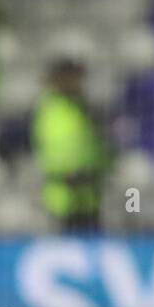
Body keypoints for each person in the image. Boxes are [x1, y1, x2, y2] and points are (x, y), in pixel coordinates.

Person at [33, 59, 109, 232]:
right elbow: (52, 150)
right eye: (70, 77)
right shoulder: (48, 109)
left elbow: (98, 147)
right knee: (64, 246)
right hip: (61, 197)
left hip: (90, 195)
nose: (76, 83)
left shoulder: (87, 108)